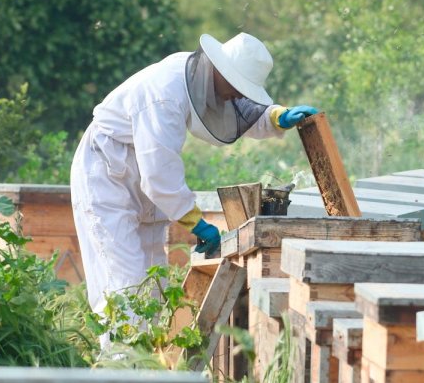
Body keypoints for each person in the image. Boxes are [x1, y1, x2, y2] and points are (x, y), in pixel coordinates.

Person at [70, 32, 317, 320]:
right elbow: (159, 175)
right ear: (222, 72)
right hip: (107, 173)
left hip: (136, 172)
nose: (238, 95)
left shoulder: (203, 79)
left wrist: (276, 116)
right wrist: (197, 223)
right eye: (238, 87)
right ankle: (119, 362)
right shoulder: (163, 95)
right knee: (123, 285)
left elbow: (241, 112)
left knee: (153, 284)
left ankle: (148, 363)